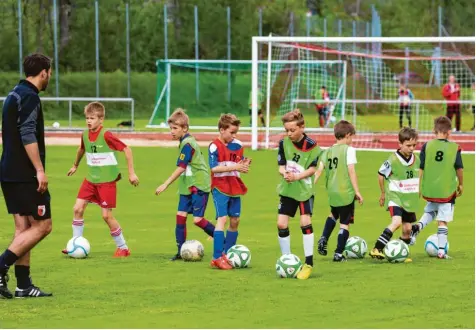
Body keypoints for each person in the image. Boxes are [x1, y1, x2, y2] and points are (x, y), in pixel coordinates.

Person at [0, 53, 53, 298]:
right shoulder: (30, 97)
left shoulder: (13, 94)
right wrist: (39, 170)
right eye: (49, 72)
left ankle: (23, 285)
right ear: (44, 72)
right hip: (25, 174)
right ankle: (1, 266)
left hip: (9, 170)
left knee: (24, 229)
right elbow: (27, 134)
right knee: (43, 226)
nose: (49, 76)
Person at [63, 102, 139, 258]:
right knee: (77, 209)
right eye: (87, 118)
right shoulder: (85, 134)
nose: (88, 121)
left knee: (106, 216)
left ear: (101, 119)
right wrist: (75, 165)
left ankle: (123, 248)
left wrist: (131, 173)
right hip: (91, 180)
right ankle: (75, 242)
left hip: (106, 181)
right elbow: (82, 149)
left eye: (92, 118)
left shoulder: (107, 135)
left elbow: (127, 149)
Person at [155, 109, 215, 260]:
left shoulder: (188, 144)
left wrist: (165, 184)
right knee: (180, 217)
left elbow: (181, 167)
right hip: (188, 185)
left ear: (185, 128)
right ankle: (181, 251)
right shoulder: (184, 142)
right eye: (171, 128)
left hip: (199, 184)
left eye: (175, 128)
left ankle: (221, 238)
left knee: (197, 220)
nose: (172, 132)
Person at [276, 109, 322, 280]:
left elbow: (312, 169)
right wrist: (285, 174)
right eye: (286, 130)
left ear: (302, 127)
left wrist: (296, 176)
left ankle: (308, 263)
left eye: (292, 130)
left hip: (304, 190)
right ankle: (286, 259)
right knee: (281, 224)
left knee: (305, 221)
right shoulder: (283, 143)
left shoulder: (312, 146)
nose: (289, 134)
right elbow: (281, 165)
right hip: (288, 189)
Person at [409, 116, 463, 259]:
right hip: (446, 189)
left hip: (430, 188)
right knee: (442, 221)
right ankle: (441, 251)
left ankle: (417, 227)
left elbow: (420, 167)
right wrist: (461, 184)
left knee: (431, 211)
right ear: (449, 132)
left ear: (434, 130)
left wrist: (418, 185)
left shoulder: (427, 146)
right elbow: (459, 168)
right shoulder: (454, 147)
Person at [315, 120, 363, 262]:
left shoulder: (327, 151)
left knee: (333, 214)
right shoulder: (349, 150)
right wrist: (357, 191)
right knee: (345, 222)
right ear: (347, 135)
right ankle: (338, 253)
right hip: (345, 192)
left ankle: (324, 237)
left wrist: (310, 187)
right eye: (352, 137)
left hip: (332, 191)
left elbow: (318, 171)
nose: (352, 141)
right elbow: (351, 171)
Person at [369, 127, 419, 262]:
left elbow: (418, 175)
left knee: (407, 229)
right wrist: (383, 193)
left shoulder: (417, 159)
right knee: (396, 222)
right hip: (395, 197)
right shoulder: (392, 160)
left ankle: (400, 253)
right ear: (400, 144)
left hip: (409, 199)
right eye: (408, 145)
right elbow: (380, 174)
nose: (411, 148)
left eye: (414, 145)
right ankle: (377, 248)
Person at [209, 114, 250, 270]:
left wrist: (244, 163)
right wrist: (235, 167)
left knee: (235, 221)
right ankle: (217, 257)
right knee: (222, 219)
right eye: (232, 132)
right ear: (222, 130)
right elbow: (214, 168)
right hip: (220, 186)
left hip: (234, 185)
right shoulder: (214, 146)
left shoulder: (238, 144)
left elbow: (239, 160)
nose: (234, 136)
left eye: (236, 132)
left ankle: (228, 253)